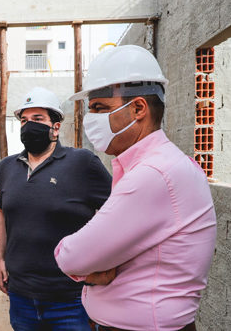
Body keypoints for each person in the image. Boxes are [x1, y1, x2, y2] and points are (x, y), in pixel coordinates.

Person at [54, 45, 217, 331]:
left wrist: (86, 265)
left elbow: (72, 256)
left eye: (100, 108)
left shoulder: (154, 174)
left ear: (138, 108)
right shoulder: (160, 165)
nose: (92, 119)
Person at [0, 87, 112, 331]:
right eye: (24, 120)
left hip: (70, 299)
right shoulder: (7, 167)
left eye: (37, 119)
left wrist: (106, 265)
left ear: (55, 127)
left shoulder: (82, 163)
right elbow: (1, 212)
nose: (29, 126)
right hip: (21, 296)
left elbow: (116, 213)